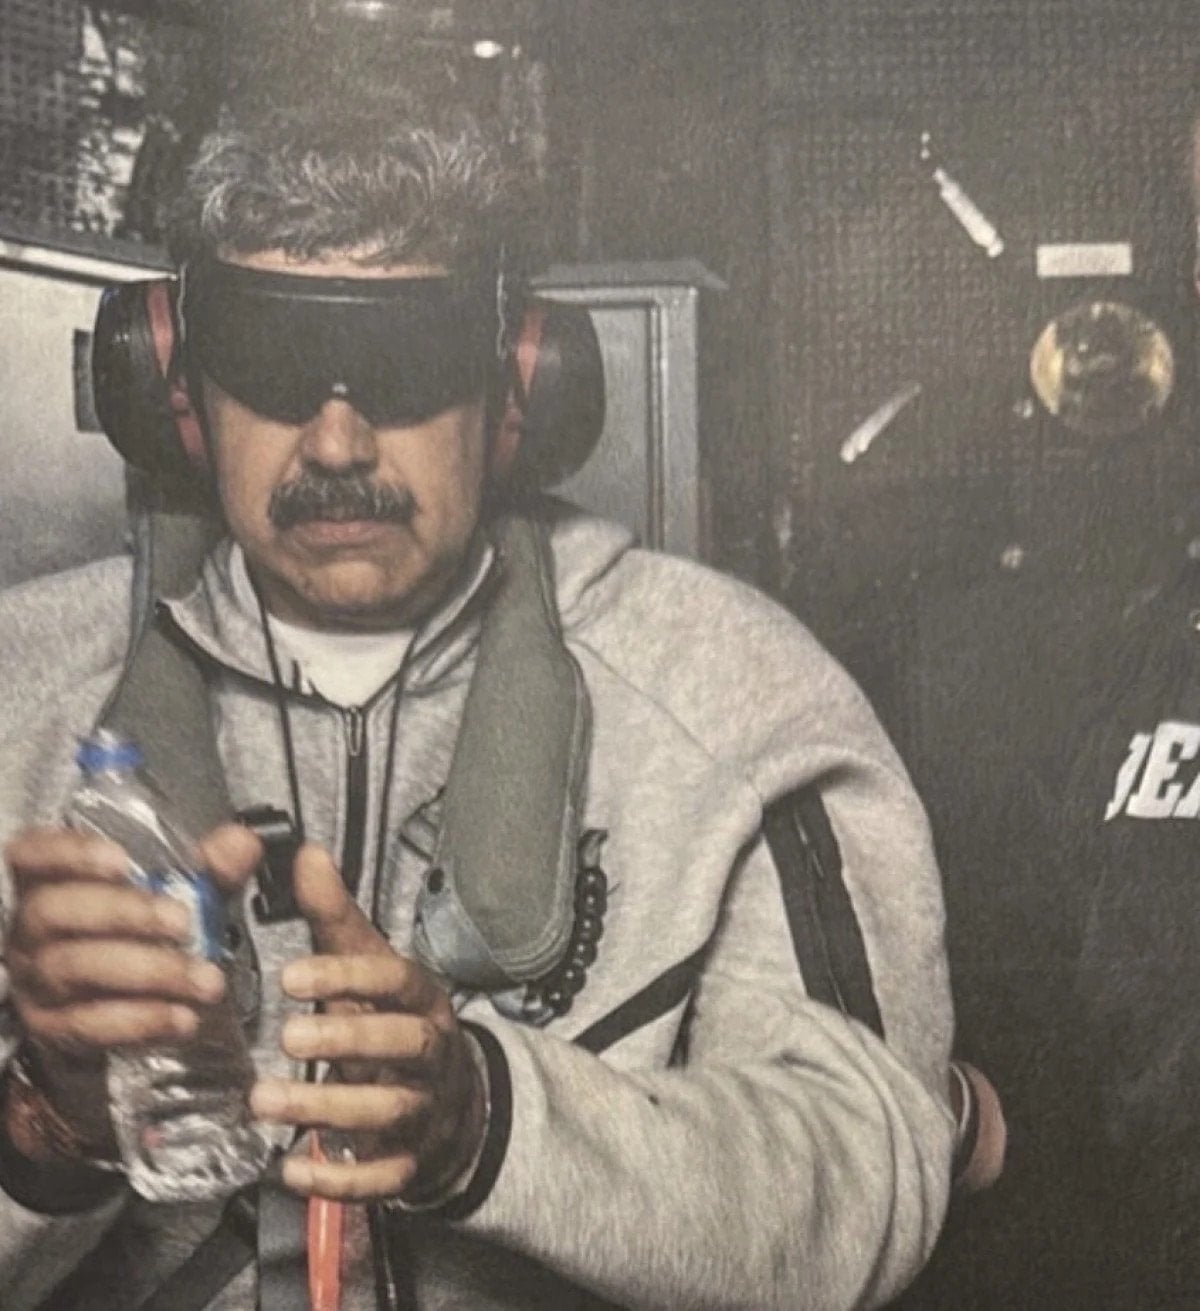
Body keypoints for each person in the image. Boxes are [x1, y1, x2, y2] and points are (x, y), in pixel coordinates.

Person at [0, 98, 956, 1310]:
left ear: (517, 391)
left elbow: (872, 1176)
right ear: (176, 390)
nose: (336, 444)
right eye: (275, 369)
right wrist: (48, 1125)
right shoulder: (21, 695)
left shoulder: (738, 694)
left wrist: (490, 1125)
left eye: (404, 369)